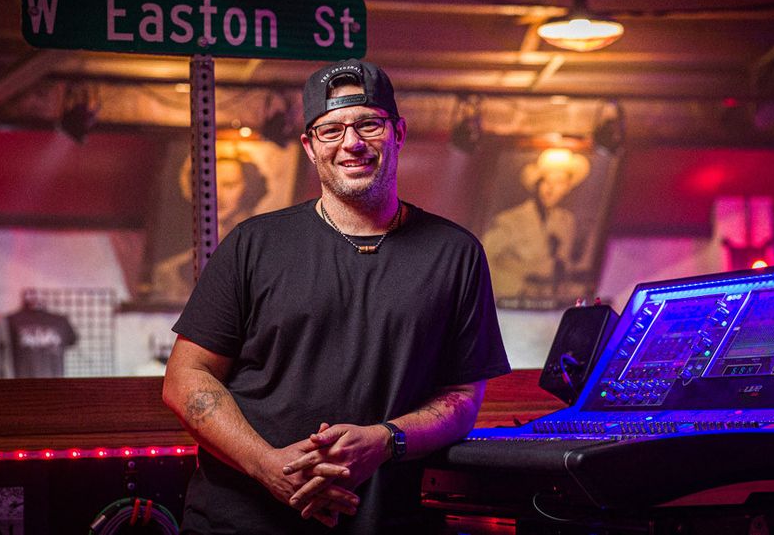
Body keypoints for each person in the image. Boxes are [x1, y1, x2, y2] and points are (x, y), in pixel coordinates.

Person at [162, 58, 510, 534]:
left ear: (398, 133)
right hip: (241, 521)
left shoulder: (456, 253)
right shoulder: (252, 244)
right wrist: (268, 465)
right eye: (331, 130)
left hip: (387, 521)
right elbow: (185, 378)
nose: (352, 143)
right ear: (309, 145)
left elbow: (463, 398)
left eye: (369, 124)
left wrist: (386, 439)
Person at [151, 150, 269, 302]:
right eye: (208, 185)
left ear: (248, 188)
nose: (217, 195)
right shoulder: (170, 271)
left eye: (229, 185)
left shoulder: (262, 248)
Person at [482, 148, 590, 300]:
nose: (550, 189)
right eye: (546, 181)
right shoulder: (511, 220)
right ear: (537, 185)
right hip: (513, 304)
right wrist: (516, 287)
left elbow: (564, 266)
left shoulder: (567, 222)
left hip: (550, 307)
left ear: (567, 188)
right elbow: (483, 257)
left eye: (559, 182)